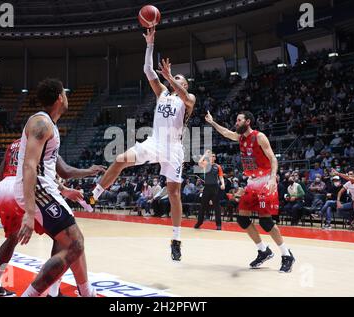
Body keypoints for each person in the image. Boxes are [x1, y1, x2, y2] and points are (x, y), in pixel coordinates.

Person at [88, 27, 196, 261]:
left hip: (174, 149)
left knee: (174, 194)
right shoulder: (163, 94)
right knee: (119, 161)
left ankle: (176, 240)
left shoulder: (188, 99)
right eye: (173, 77)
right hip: (154, 142)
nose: (175, 79)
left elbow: (186, 97)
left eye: (179, 79)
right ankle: (94, 195)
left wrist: (169, 78)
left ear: (185, 85)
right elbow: (147, 69)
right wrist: (150, 44)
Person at [15, 78, 105, 297]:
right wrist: (28, 212)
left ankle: (86, 292)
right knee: (75, 243)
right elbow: (29, 165)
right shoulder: (41, 123)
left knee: (74, 243)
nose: (67, 98)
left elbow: (60, 170)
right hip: (37, 191)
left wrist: (65, 190)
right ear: (59, 98)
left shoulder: (50, 127)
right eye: (65, 93)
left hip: (47, 189)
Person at [0, 138, 104, 297]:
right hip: (23, 187)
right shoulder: (42, 136)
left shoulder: (13, 144)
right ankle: (54, 293)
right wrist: (89, 171)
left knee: (12, 238)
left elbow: (0, 174)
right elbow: (65, 171)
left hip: (3, 189)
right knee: (64, 238)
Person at [205, 110, 295, 273]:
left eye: (239, 120)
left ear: (247, 121)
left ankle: (287, 255)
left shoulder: (259, 137)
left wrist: (273, 178)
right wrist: (212, 122)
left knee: (266, 222)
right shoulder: (240, 137)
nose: (236, 123)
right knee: (242, 219)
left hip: (265, 180)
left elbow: (273, 158)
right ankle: (263, 251)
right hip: (252, 182)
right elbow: (225, 132)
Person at [194, 150, 225, 230]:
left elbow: (221, 176)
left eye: (214, 156)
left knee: (217, 206)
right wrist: (205, 154)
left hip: (215, 187)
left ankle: (218, 225)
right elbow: (199, 162)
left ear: (215, 158)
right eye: (211, 156)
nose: (212, 157)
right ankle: (199, 223)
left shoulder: (218, 166)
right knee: (203, 206)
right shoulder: (206, 164)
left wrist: (223, 183)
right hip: (207, 187)